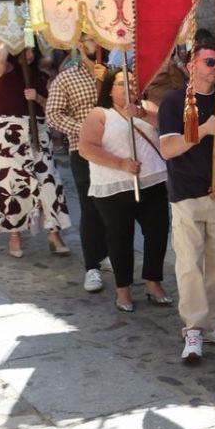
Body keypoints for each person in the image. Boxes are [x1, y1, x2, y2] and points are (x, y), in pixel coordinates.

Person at [156, 35, 215, 364]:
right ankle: (194, 327)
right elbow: (168, 149)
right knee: (189, 265)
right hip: (185, 195)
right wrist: (205, 130)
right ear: (193, 64)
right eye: (210, 62)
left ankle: (212, 323)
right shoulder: (173, 102)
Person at [78, 66, 172, 312]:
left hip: (151, 181)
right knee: (120, 237)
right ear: (109, 90)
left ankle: (153, 281)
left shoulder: (148, 107)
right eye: (121, 83)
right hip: (115, 187)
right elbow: (86, 147)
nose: (129, 87)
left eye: (132, 82)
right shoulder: (100, 114)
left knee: (158, 232)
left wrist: (140, 113)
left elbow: (168, 125)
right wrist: (121, 163)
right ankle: (123, 289)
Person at [0, 44, 72, 256]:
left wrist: (37, 98)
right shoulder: (4, 70)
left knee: (48, 180)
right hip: (9, 132)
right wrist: (11, 35)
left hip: (38, 131)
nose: (29, 55)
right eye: (24, 50)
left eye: (31, 50)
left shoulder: (41, 77)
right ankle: (14, 234)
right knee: (12, 182)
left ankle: (53, 231)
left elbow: (50, 107)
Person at [47, 36, 113, 293]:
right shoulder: (66, 78)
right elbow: (53, 114)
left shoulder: (113, 73)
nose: (94, 43)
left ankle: (108, 254)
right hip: (83, 150)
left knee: (113, 206)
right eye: (88, 38)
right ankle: (91, 266)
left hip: (114, 149)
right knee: (90, 207)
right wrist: (84, 130)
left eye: (98, 37)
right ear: (79, 43)